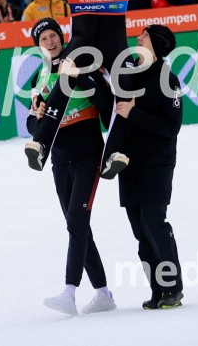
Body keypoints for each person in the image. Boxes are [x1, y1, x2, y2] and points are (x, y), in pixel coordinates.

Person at [16, 0, 177, 176]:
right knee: (65, 74)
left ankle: (115, 151)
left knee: (126, 91)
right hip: (83, 40)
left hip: (115, 44)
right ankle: (41, 144)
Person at [27, 18, 117, 316]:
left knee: (77, 222)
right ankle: (103, 293)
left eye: (54, 35)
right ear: (38, 46)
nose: (50, 41)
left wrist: (80, 77)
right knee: (76, 225)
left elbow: (107, 105)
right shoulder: (39, 78)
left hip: (88, 155)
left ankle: (69, 292)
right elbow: (31, 124)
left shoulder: (81, 63)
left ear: (62, 37)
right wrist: (37, 114)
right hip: (59, 160)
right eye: (44, 39)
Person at [115, 24, 184, 310]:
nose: (137, 37)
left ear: (155, 43)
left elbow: (171, 126)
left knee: (153, 222)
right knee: (139, 229)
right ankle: (157, 289)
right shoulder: (128, 71)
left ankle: (173, 288)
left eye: (143, 35)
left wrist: (134, 113)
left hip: (157, 161)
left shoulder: (169, 78)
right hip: (129, 162)